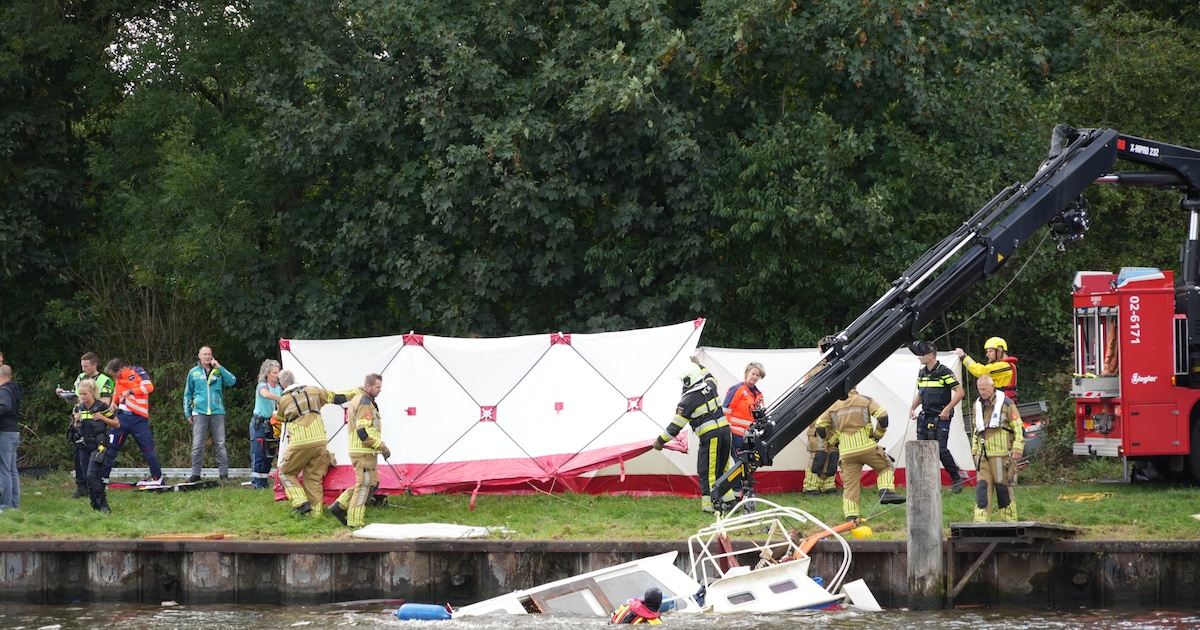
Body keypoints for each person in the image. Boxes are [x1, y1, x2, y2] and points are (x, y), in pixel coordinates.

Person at [653, 362, 736, 513]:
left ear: (688, 380)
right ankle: (730, 502)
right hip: (726, 433)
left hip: (711, 437)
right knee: (722, 470)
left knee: (707, 472)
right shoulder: (711, 386)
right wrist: (700, 365)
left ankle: (711, 506)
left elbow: (675, 426)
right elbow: (710, 376)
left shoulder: (687, 401)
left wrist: (660, 441)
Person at [814, 387, 905, 523]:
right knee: (885, 466)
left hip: (846, 452)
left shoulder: (833, 406)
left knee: (850, 486)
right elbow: (883, 417)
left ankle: (852, 517)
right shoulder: (865, 400)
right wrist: (877, 436)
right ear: (855, 386)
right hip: (867, 447)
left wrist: (836, 442)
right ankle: (886, 492)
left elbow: (820, 427)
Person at [272, 370, 352, 517]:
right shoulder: (314, 391)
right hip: (320, 441)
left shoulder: (284, 400)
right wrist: (358, 391)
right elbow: (337, 397)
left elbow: (281, 418)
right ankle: (316, 513)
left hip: (299, 443)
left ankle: (300, 503)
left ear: (282, 384)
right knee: (313, 477)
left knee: (286, 472)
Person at [329, 374, 390, 528]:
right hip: (364, 451)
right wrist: (381, 446)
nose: (380, 390)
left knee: (371, 483)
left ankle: (339, 506)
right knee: (364, 486)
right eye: (377, 387)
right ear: (368, 386)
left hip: (363, 451)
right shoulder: (364, 403)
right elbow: (363, 432)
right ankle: (355, 522)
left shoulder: (361, 399)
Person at [909, 340, 967, 493]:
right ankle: (925, 483)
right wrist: (913, 408)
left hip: (941, 417)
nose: (919, 357)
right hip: (925, 416)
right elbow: (921, 393)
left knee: (940, 449)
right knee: (921, 448)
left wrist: (947, 410)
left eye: (921, 355)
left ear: (930, 355)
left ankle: (956, 477)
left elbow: (960, 392)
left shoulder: (944, 372)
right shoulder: (922, 373)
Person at [57, 352, 115, 499]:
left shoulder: (104, 380)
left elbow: (105, 403)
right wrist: (65, 395)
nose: (83, 369)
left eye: (86, 366)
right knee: (78, 456)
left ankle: (95, 487)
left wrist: (85, 401)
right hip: (79, 420)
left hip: (96, 423)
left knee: (95, 457)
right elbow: (76, 398)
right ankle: (81, 487)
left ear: (95, 365)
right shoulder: (80, 378)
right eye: (82, 366)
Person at [102, 358, 164, 487]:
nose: (115, 378)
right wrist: (114, 401)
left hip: (138, 418)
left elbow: (149, 387)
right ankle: (102, 479)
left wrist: (131, 391)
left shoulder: (137, 372)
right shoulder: (118, 379)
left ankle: (158, 478)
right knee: (111, 447)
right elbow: (117, 391)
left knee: (148, 449)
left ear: (121, 369)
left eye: (115, 375)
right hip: (122, 417)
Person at [971, 375, 1024, 522]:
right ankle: (980, 522)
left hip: (1002, 455)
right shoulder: (977, 406)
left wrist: (1017, 448)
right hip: (983, 456)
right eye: (979, 389)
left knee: (1003, 489)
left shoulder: (1007, 404)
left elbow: (1018, 428)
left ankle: (1009, 522)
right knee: (982, 489)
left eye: (984, 389)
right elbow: (976, 429)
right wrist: (974, 451)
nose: (982, 392)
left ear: (992, 387)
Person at [183, 346, 238, 483]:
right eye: (205, 354)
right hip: (199, 412)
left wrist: (220, 367)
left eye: (209, 354)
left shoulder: (218, 371)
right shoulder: (193, 372)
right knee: (197, 444)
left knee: (220, 443)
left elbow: (232, 381)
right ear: (199, 356)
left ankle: (223, 474)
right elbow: (187, 394)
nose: (207, 357)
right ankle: (195, 474)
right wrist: (188, 412)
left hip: (217, 411)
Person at [73, 379, 120, 514]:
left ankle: (103, 502)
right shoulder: (79, 408)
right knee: (87, 477)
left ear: (92, 393)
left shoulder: (102, 407)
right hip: (84, 446)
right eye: (80, 394)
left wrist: (102, 418)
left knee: (92, 474)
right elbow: (75, 427)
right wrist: (76, 421)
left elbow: (117, 424)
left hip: (98, 446)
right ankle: (95, 504)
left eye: (85, 394)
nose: (82, 397)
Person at [801, 336, 839, 496]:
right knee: (818, 452)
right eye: (821, 350)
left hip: (836, 417)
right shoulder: (813, 370)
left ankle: (828, 485)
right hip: (818, 417)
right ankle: (811, 486)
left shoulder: (842, 366)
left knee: (833, 451)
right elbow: (804, 393)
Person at [721, 362, 765, 499]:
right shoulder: (738, 389)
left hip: (749, 436)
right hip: (735, 434)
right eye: (753, 374)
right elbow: (726, 409)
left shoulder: (758, 394)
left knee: (747, 464)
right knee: (740, 464)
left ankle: (741, 494)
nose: (755, 377)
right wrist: (726, 430)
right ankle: (736, 495)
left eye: (758, 375)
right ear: (747, 373)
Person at [251, 359, 283, 489]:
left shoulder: (279, 388)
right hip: (260, 423)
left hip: (272, 423)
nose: (277, 375)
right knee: (259, 452)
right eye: (274, 373)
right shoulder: (262, 385)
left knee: (269, 453)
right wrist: (281, 398)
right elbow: (265, 394)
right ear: (267, 373)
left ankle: (264, 481)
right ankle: (256, 482)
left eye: (278, 372)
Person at [956, 337, 1018, 403]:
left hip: (1003, 404)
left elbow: (981, 371)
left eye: (990, 351)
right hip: (1000, 401)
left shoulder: (1003, 366)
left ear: (999, 351)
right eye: (987, 352)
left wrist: (964, 357)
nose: (987, 354)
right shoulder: (1003, 365)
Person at [0, 365, 22, 512]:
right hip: (13, 432)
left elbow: (5, 406)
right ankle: (14, 504)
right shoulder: (14, 389)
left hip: (5, 434)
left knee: (4, 470)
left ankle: (5, 505)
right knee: (12, 470)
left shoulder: (4, 391)